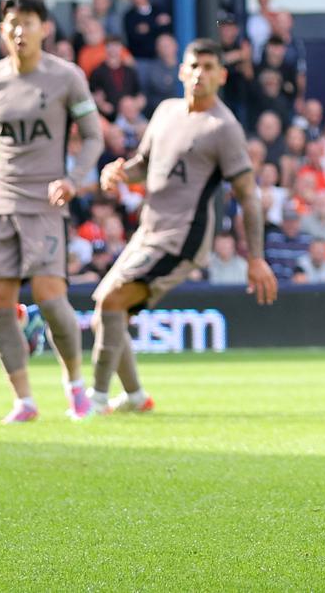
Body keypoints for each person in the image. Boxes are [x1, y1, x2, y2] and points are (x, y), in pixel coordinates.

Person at [93, 39, 276, 414]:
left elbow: (247, 194)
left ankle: (92, 401)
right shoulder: (165, 111)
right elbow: (144, 164)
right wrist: (119, 172)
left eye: (209, 68)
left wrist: (255, 258)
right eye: (194, 66)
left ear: (222, 76)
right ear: (181, 71)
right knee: (107, 312)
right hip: (149, 231)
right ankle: (135, 397)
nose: (200, 74)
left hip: (183, 239)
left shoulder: (223, 127)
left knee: (110, 303)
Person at [0, 0, 105, 423]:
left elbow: (94, 136)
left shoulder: (66, 76)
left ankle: (76, 387)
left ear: (45, 28)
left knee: (50, 297)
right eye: (12, 23)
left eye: (28, 22)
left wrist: (74, 180)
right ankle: (24, 400)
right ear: (1, 30)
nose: (20, 31)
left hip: (45, 201)